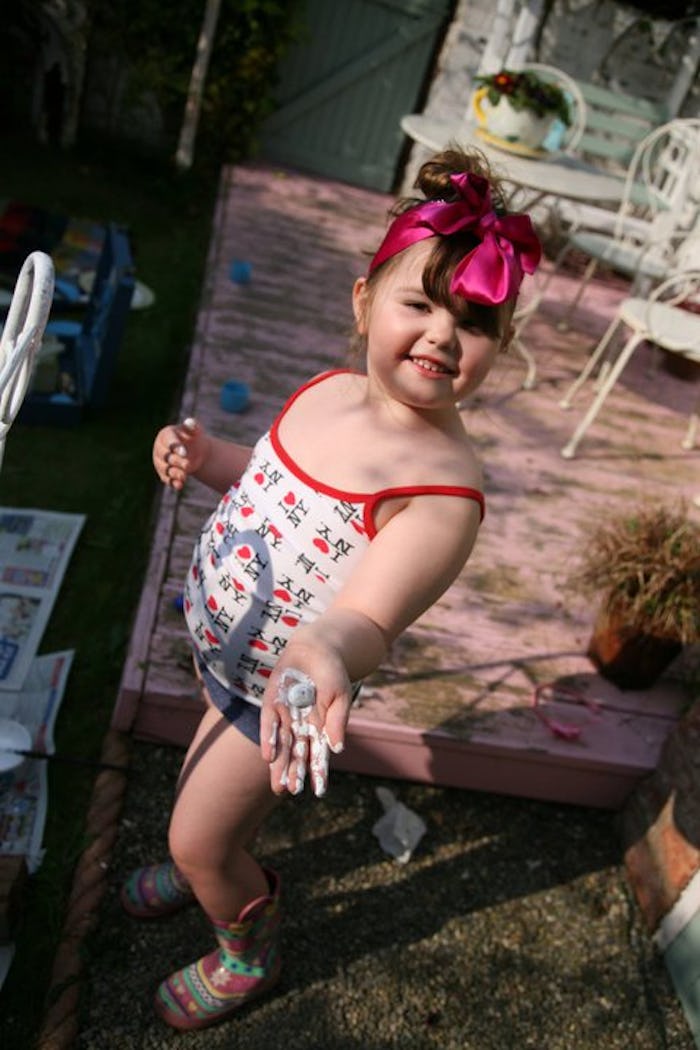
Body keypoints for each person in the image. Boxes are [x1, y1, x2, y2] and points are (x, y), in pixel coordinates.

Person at [120, 147, 541, 1031]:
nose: (440, 335)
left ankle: (245, 941)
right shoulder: (330, 390)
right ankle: (213, 847)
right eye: (419, 303)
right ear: (364, 302)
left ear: (498, 348)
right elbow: (268, 475)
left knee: (195, 832)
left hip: (283, 695)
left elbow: (365, 616)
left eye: (473, 322)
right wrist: (208, 461)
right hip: (223, 659)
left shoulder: (438, 493)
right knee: (207, 793)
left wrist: (324, 647)